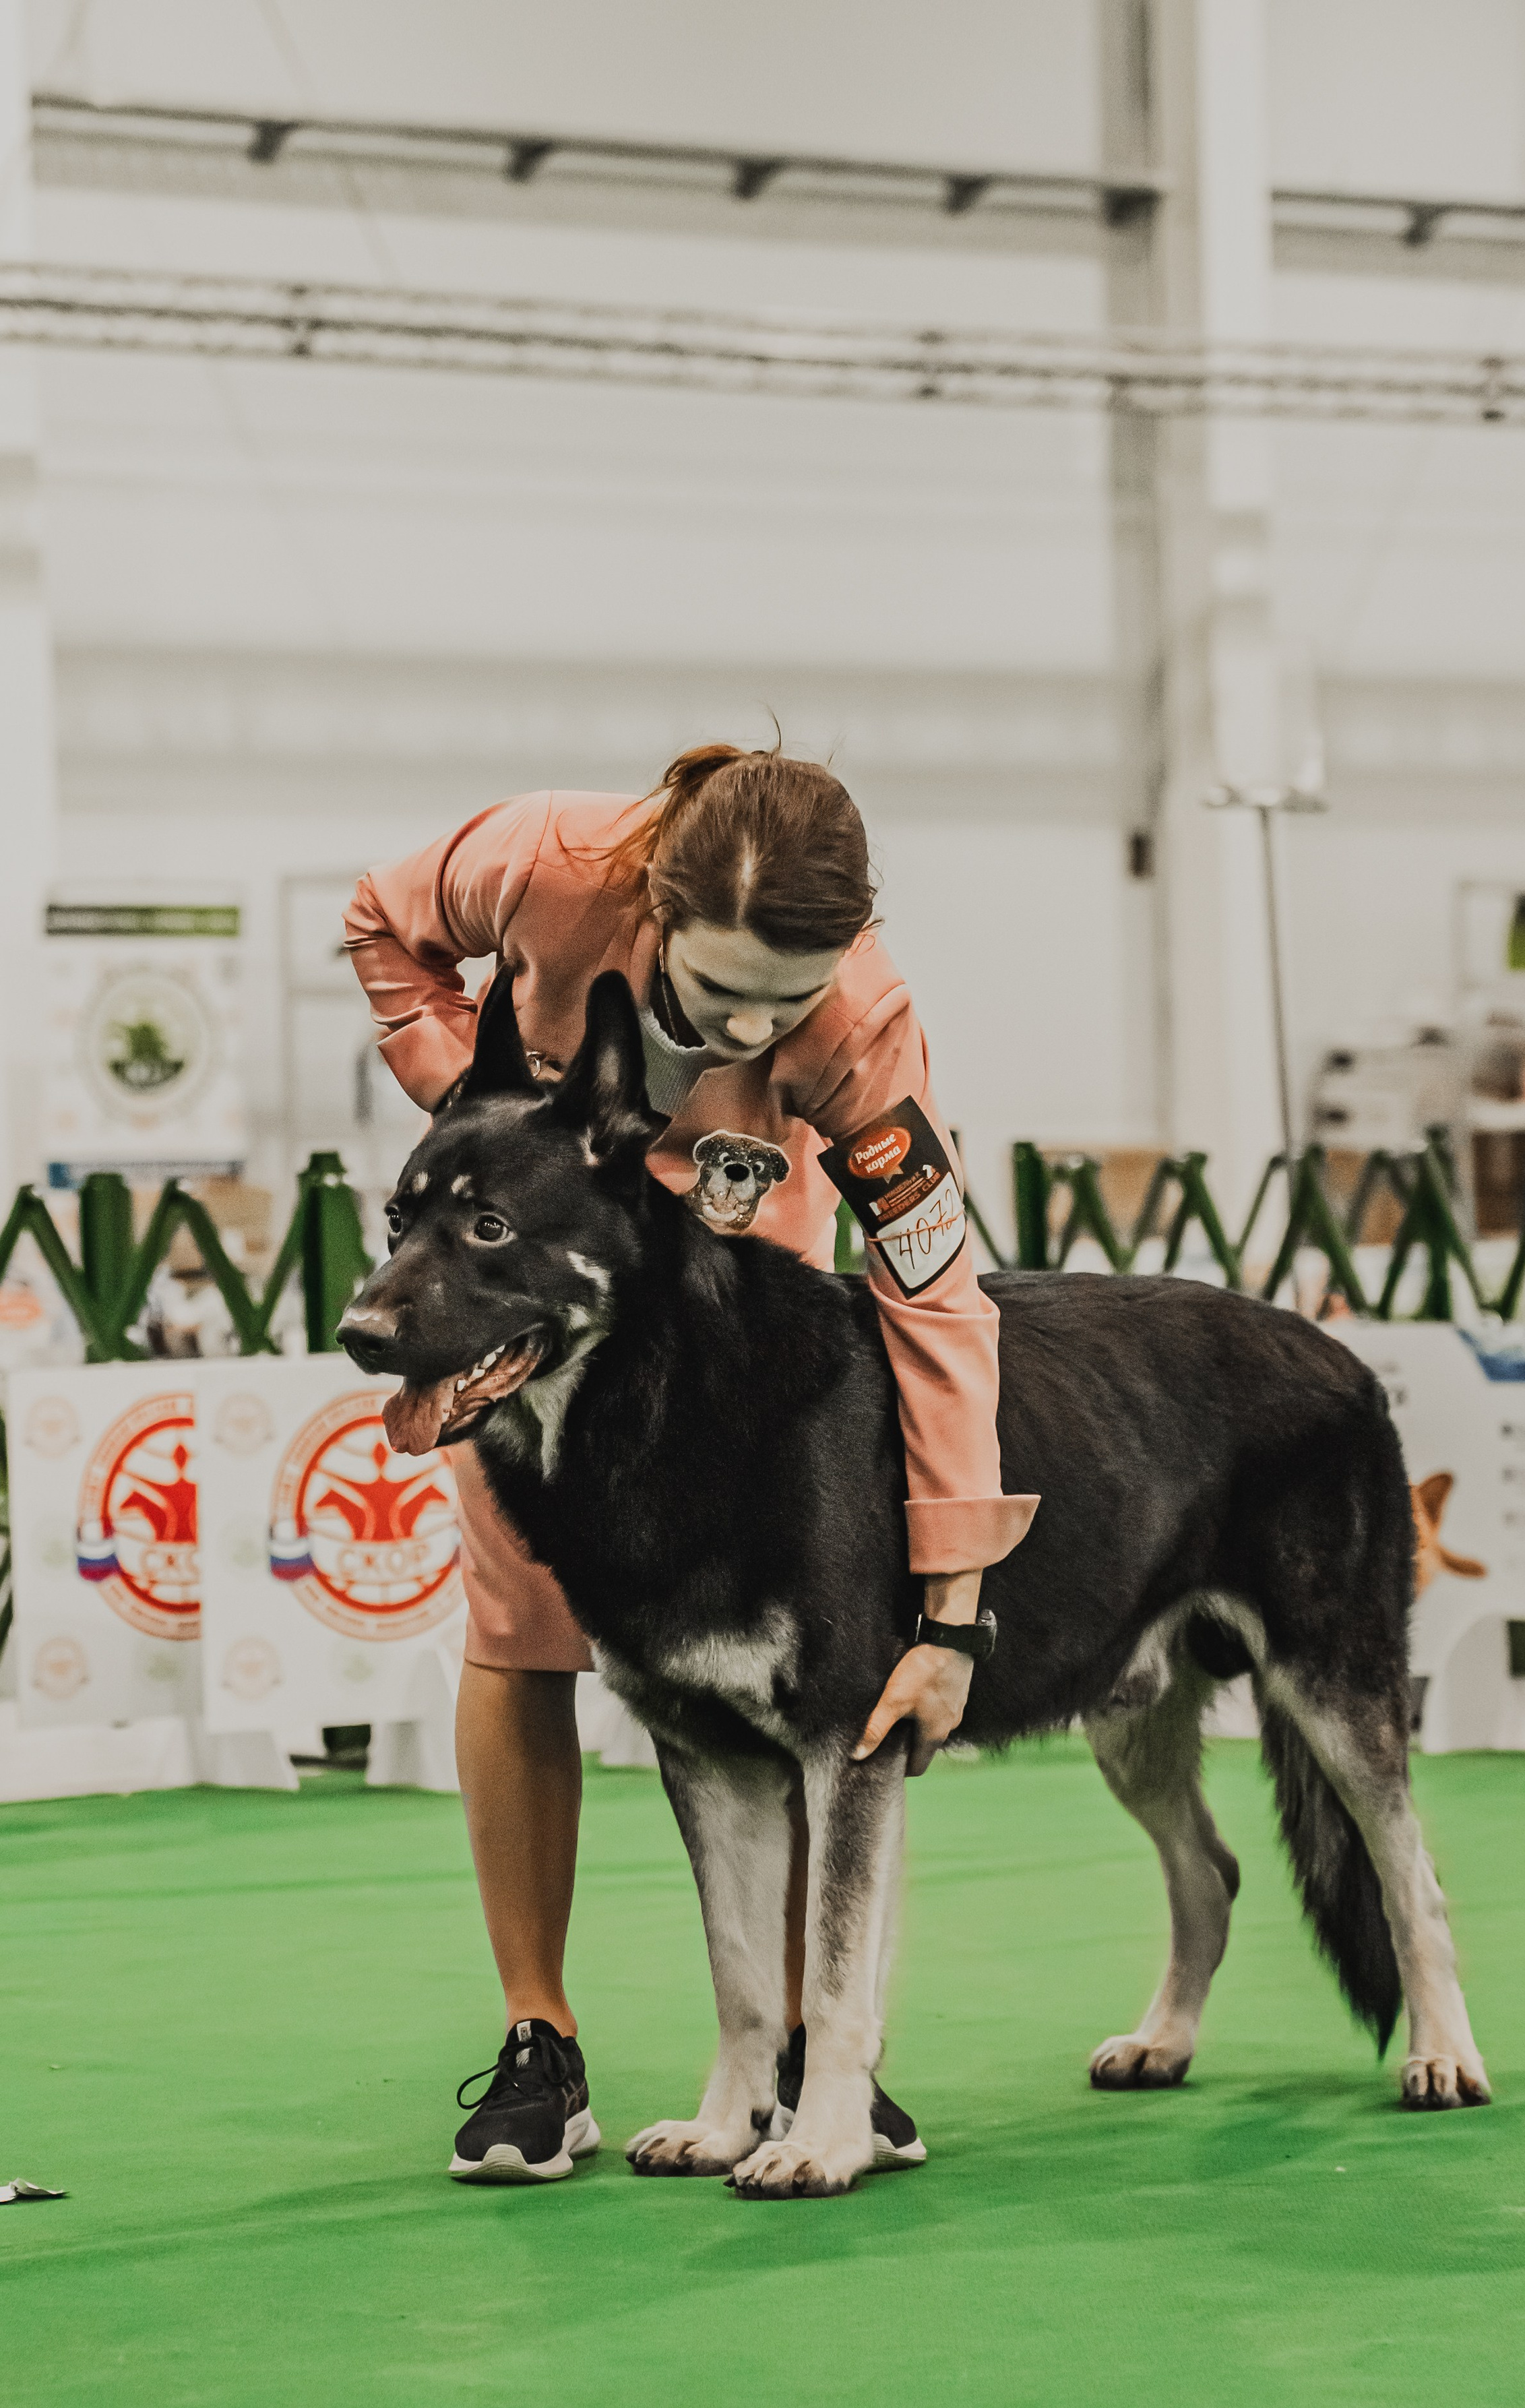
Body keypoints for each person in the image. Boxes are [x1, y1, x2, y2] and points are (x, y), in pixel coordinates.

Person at [345, 746, 1038, 2182]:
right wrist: (476, 1115)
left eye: (784, 1001)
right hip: (527, 1282)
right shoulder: (544, 857)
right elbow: (382, 924)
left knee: (789, 1688)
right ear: (653, 908)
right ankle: (540, 2037)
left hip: (732, 1315)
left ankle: (797, 2041)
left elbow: (933, 1290)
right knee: (528, 1626)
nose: (749, 1024)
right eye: (719, 991)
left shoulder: (862, 1021)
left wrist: (956, 1594)